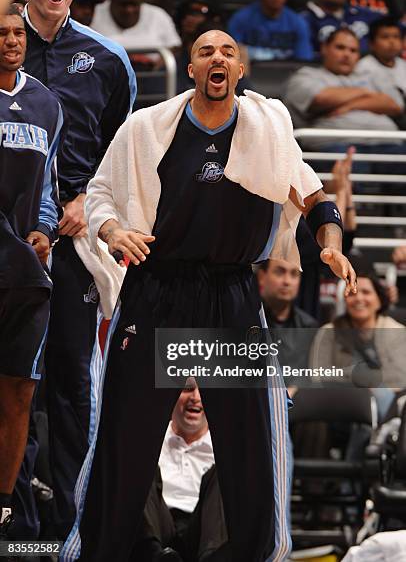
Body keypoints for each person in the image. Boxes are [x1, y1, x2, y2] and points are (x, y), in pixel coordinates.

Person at [61, 28, 356, 562]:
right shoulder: (148, 127)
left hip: (231, 292)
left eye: (227, 52)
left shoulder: (267, 130)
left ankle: (258, 555)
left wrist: (331, 247)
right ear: (192, 69)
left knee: (249, 447)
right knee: (123, 445)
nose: (217, 59)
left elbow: (317, 200)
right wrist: (111, 232)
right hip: (158, 287)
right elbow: (100, 194)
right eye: (205, 52)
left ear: (240, 71)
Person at [20, 0, 136, 541]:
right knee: (13, 384)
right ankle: (15, 524)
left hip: (74, 242)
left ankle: (67, 531)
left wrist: (85, 201)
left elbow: (124, 153)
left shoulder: (108, 59)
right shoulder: (4, 42)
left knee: (70, 383)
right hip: (10, 243)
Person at [0, 4, 64, 540]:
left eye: (18, 32)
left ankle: (5, 509)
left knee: (20, 390)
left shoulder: (45, 102)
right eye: (1, 33)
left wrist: (44, 228)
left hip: (22, 271)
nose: (11, 40)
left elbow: (48, 187)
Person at [134, 379, 226, 561]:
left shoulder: (223, 444)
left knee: (224, 471)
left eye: (203, 391)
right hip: (159, 525)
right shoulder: (153, 436)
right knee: (139, 460)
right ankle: (153, 554)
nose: (196, 398)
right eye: (187, 389)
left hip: (202, 530)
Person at [310, 266, 405, 420]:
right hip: (341, 401)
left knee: (379, 392)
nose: (359, 298)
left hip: (388, 402)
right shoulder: (328, 332)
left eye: (366, 292)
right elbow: (318, 376)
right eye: (352, 293)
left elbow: (399, 379)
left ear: (380, 300)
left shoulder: (396, 331)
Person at [285, 27, 403, 152]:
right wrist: (366, 93)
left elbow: (395, 105)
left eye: (353, 50)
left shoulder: (371, 75)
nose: (347, 54)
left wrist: (350, 105)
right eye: (340, 48)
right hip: (336, 145)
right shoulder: (306, 75)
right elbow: (321, 98)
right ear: (325, 48)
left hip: (388, 142)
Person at [228, 0, 314, 61]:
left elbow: (303, 62)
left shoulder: (298, 23)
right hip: (251, 74)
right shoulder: (241, 19)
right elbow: (230, 58)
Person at [257, 258, 318, 390]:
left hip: (299, 403)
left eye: (294, 274)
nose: (287, 281)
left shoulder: (309, 326)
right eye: (279, 272)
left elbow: (313, 375)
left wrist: (296, 390)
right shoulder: (246, 320)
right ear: (262, 276)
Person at [90, 0, 181, 53]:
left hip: (152, 72)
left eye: (134, 4)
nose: (129, 10)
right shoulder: (93, 13)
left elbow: (175, 48)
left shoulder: (158, 15)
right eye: (123, 4)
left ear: (141, 0)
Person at [356, 16, 406, 115]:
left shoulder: (403, 65)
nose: (392, 42)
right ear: (371, 44)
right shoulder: (363, 67)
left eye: (396, 37)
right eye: (385, 37)